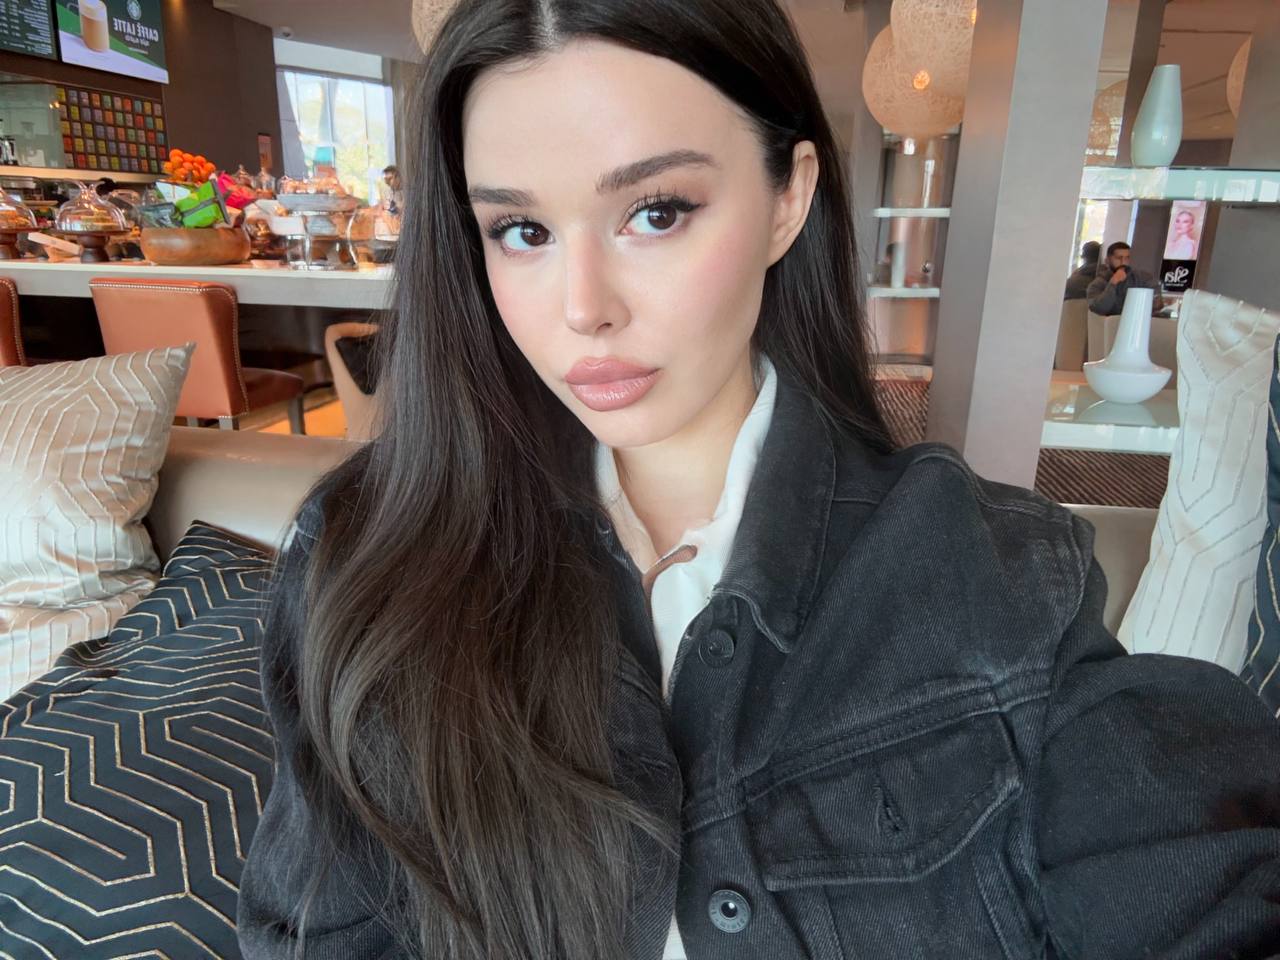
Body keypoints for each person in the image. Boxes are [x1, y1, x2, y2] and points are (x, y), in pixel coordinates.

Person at [237, 1, 1280, 958]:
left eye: (655, 211)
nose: (583, 307)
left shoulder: (993, 579)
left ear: (789, 198)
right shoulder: (368, 554)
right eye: (522, 231)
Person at [1087, 240, 1165, 315]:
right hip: (1112, 322)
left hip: (1138, 319)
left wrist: (1156, 301)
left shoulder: (1142, 278)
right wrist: (1113, 283)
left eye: (1127, 258)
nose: (1123, 262)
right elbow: (1100, 308)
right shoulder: (1098, 284)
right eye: (1118, 258)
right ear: (1107, 260)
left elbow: (1157, 302)